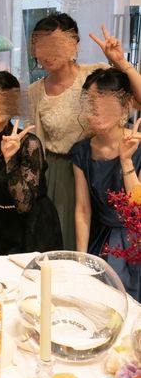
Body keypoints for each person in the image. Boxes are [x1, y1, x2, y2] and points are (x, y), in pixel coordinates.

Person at [28, 15, 141, 249]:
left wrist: (121, 62)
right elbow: (35, 140)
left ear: (74, 45)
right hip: (58, 174)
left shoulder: (96, 74)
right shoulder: (34, 91)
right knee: (61, 240)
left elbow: (135, 101)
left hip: (103, 167)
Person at [0, 71, 62, 256]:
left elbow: (24, 205)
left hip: (34, 228)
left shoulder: (29, 143)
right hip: (0, 227)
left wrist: (9, 159)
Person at [69, 68, 141, 301]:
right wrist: (81, 258)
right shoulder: (81, 151)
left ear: (125, 106)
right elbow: (83, 209)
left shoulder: (138, 146)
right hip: (103, 240)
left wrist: (126, 160)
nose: (96, 111)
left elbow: (137, 210)